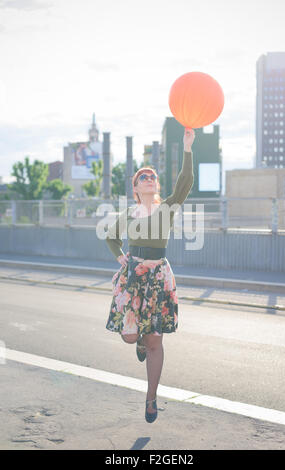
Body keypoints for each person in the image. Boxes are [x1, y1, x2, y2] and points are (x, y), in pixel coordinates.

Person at [105, 128, 195, 423]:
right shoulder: (128, 214)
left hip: (158, 278)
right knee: (131, 336)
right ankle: (140, 343)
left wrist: (187, 147)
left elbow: (185, 183)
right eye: (143, 176)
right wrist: (121, 258)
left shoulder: (166, 209)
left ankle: (151, 397)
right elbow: (111, 237)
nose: (149, 178)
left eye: (152, 176)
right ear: (135, 188)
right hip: (133, 277)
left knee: (156, 340)